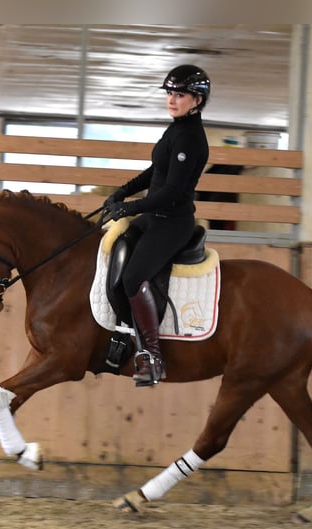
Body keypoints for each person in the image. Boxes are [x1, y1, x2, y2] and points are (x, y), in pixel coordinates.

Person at [103, 64, 211, 386]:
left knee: (135, 275)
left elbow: (171, 192)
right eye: (170, 93)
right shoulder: (175, 129)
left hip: (172, 222)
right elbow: (155, 173)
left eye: (179, 95)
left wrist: (130, 208)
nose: (172, 100)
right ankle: (124, 329)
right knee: (118, 255)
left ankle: (152, 355)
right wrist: (123, 191)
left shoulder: (192, 138)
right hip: (153, 217)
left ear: (197, 100)